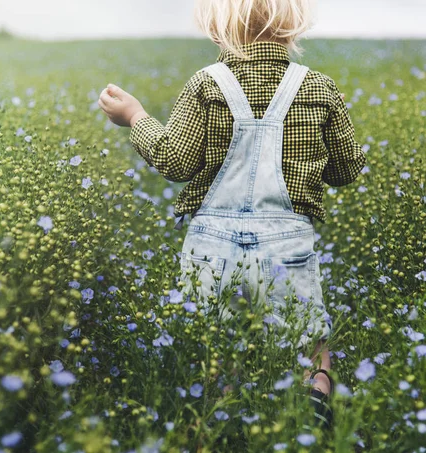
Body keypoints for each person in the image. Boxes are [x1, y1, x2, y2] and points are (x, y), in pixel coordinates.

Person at [98, 0, 366, 431]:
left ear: (216, 27)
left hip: (213, 247)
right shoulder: (319, 87)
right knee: (308, 345)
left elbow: (174, 161)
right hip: (287, 246)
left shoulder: (206, 84)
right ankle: (314, 408)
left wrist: (136, 117)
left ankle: (227, 422)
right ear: (293, 25)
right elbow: (345, 170)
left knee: (217, 350)